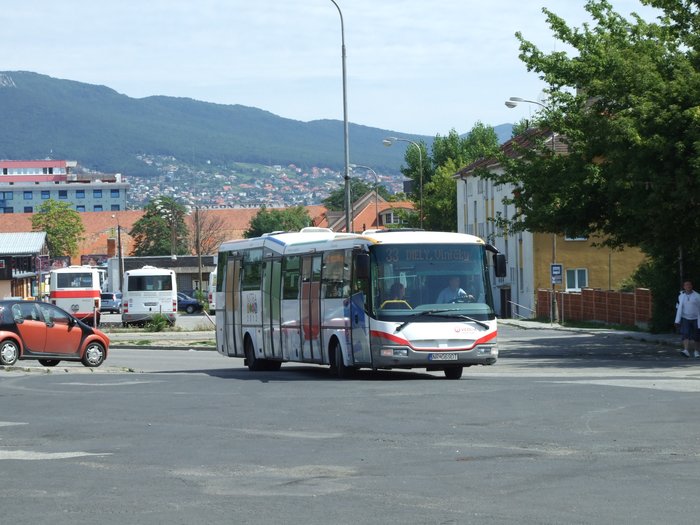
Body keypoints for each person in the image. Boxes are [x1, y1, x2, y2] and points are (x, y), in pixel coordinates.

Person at [674, 279, 700, 358]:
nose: (688, 286)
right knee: (685, 334)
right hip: (685, 318)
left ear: (692, 286)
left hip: (696, 318)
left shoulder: (697, 296)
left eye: (689, 284)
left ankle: (696, 351)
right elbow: (678, 308)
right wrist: (677, 320)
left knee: (697, 335)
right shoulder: (681, 296)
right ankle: (686, 351)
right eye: (686, 285)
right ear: (684, 287)